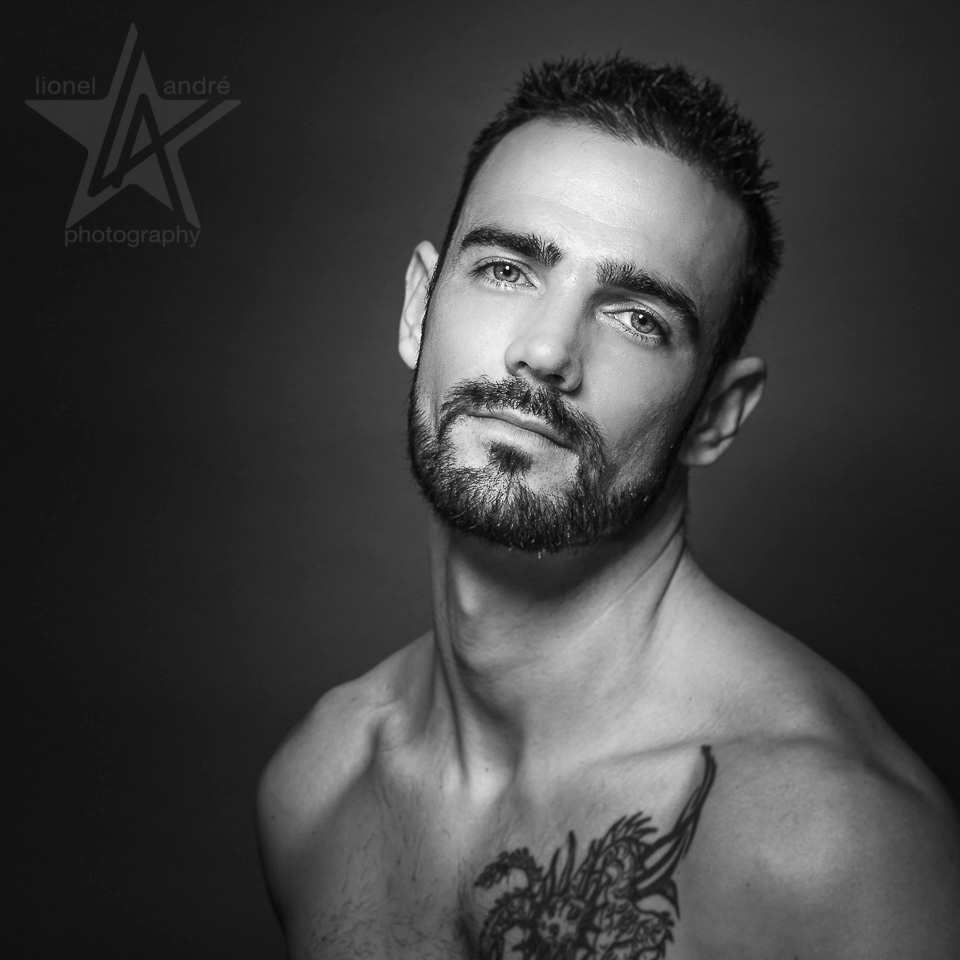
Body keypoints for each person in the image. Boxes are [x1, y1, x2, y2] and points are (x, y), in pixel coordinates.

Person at [256, 57, 960, 959]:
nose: (547, 351)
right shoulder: (318, 785)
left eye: (637, 319)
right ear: (417, 308)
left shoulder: (831, 843)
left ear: (715, 415)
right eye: (506, 269)